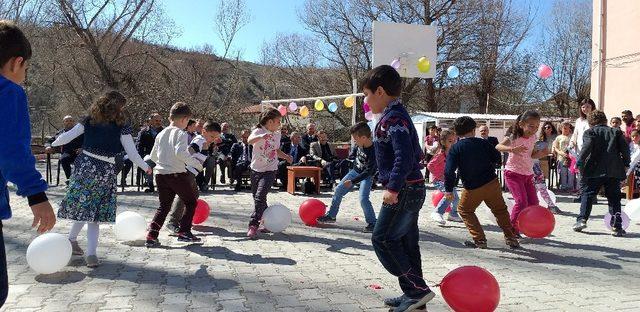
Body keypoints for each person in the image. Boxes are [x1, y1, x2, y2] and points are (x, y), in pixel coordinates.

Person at [362, 65, 435, 311]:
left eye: (367, 94)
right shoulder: (394, 116)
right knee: (406, 243)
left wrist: (392, 188)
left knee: (382, 239)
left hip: (404, 190)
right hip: (410, 188)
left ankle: (417, 290)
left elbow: (405, 156)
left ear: (380, 91)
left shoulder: (393, 119)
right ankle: (414, 296)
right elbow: (412, 152)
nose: (366, 100)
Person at [52, 91, 152, 267]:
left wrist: (53, 143)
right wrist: (146, 167)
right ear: (118, 106)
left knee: (85, 208)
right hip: (105, 170)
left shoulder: (89, 120)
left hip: (85, 167)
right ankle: (90, 254)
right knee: (94, 215)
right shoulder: (122, 126)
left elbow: (65, 138)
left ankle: (73, 241)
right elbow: (132, 153)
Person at [0, 20, 56, 307]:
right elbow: (10, 150)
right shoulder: (8, 91)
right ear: (16, 62)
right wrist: (36, 194)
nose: (24, 75)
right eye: (26, 69)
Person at [444, 116, 519, 250]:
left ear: (456, 132)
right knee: (500, 210)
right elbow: (496, 158)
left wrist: (449, 189)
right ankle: (511, 238)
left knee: (464, 210)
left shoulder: (456, 148)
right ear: (474, 130)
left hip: (472, 187)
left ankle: (480, 240)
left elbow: (449, 171)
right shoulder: (483, 143)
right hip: (491, 182)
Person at [145, 102, 204, 248]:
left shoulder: (161, 133)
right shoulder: (180, 133)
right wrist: (196, 164)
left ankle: (151, 235)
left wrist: (150, 167)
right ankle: (184, 232)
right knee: (191, 202)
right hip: (176, 174)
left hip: (160, 174)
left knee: (164, 206)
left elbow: (153, 156)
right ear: (184, 119)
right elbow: (180, 153)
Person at [573, 110, 630, 236]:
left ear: (591, 123)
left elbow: (586, 148)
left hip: (594, 169)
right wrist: (626, 164)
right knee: (614, 198)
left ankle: (582, 220)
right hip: (614, 170)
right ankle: (617, 226)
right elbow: (625, 149)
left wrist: (579, 162)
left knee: (588, 194)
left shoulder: (590, 132)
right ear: (605, 120)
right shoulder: (616, 132)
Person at [496, 110, 550, 236]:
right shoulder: (514, 136)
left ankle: (525, 227)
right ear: (521, 124)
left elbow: (531, 155)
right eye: (531, 126)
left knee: (533, 203)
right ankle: (510, 230)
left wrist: (541, 154)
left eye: (537, 127)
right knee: (521, 202)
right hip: (513, 174)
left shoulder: (533, 137)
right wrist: (511, 149)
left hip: (527, 175)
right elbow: (498, 147)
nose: (534, 129)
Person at [317, 122, 377, 232]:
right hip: (355, 171)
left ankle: (373, 223)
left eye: (355, 139)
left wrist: (352, 181)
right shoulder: (360, 144)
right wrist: (346, 160)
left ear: (364, 137)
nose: (354, 141)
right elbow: (354, 155)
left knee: (363, 199)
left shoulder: (374, 151)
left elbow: (368, 172)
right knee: (338, 189)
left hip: (366, 176)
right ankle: (331, 216)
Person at [166, 121, 221, 233]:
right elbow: (189, 150)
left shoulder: (205, 142)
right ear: (203, 131)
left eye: (215, 137)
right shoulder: (199, 140)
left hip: (192, 174)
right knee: (184, 196)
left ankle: (182, 219)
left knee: (194, 194)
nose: (213, 139)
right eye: (211, 136)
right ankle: (172, 222)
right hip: (187, 172)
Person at [246, 108, 292, 239]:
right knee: (258, 199)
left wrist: (285, 156)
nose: (279, 124)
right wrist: (261, 136)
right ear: (270, 121)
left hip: (270, 170)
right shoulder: (258, 131)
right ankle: (266, 222)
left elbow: (276, 150)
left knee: (260, 197)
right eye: (278, 121)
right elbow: (250, 140)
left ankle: (253, 225)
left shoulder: (277, 134)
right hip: (256, 170)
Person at [427, 130, 462, 225]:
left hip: (447, 179)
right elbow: (430, 166)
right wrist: (440, 176)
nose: (454, 143)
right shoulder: (440, 154)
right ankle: (437, 212)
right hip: (438, 180)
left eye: (455, 141)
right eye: (450, 141)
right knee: (450, 195)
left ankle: (453, 214)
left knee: (456, 198)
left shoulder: (451, 153)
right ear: (443, 142)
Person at [570, 99, 596, 202]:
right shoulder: (578, 120)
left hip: (591, 150)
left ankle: (592, 196)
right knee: (581, 174)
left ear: (592, 107)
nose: (585, 109)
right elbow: (575, 134)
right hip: (580, 151)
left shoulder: (594, 120)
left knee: (591, 173)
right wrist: (572, 142)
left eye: (588, 107)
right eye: (583, 107)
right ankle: (582, 195)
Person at [45, 115, 84, 183]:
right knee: (63, 159)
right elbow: (50, 141)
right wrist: (48, 146)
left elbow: (88, 141)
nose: (69, 122)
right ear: (64, 122)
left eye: (71, 121)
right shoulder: (60, 133)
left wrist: (82, 148)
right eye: (67, 121)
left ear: (73, 122)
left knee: (83, 161)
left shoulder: (79, 132)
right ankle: (70, 180)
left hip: (79, 152)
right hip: (67, 152)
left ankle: (81, 180)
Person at [137, 113, 163, 192]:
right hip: (149, 155)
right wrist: (140, 157)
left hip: (162, 156)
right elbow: (140, 146)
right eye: (156, 120)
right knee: (147, 163)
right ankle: (150, 186)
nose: (158, 122)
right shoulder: (144, 132)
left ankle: (162, 187)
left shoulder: (164, 131)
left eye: (159, 120)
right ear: (151, 121)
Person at [552, 122, 576, 191]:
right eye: (564, 128)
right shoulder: (558, 137)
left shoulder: (572, 136)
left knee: (571, 173)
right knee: (563, 173)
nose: (566, 129)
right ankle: (564, 187)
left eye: (568, 128)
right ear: (561, 128)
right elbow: (556, 147)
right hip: (562, 157)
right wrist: (561, 153)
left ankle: (570, 187)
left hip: (571, 157)